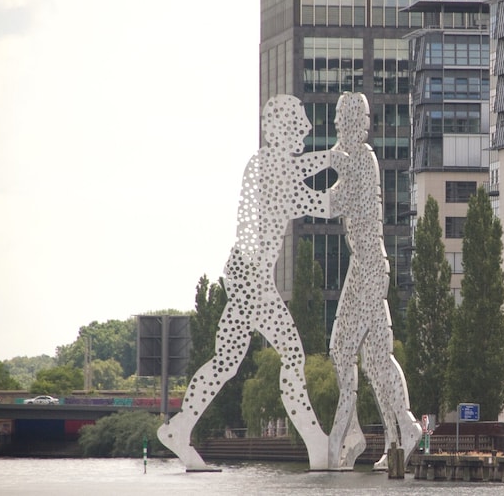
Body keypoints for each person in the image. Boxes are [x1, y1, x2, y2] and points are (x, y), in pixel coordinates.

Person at [157, 95, 340, 471]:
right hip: (251, 276)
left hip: (245, 272)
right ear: (281, 128)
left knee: (226, 361)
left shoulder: (268, 167)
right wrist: (340, 158)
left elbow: (307, 186)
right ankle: (317, 445)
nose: (306, 129)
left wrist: (335, 159)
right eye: (300, 123)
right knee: (292, 355)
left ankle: (180, 427)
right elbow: (322, 204)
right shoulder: (268, 165)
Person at [325, 91, 422, 470]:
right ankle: (401, 435)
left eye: (339, 118)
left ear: (353, 122)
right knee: (378, 359)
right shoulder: (355, 159)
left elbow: (333, 204)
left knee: (340, 349)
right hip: (365, 267)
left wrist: (295, 188)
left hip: (368, 270)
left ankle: (352, 434)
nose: (334, 125)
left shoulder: (362, 160)